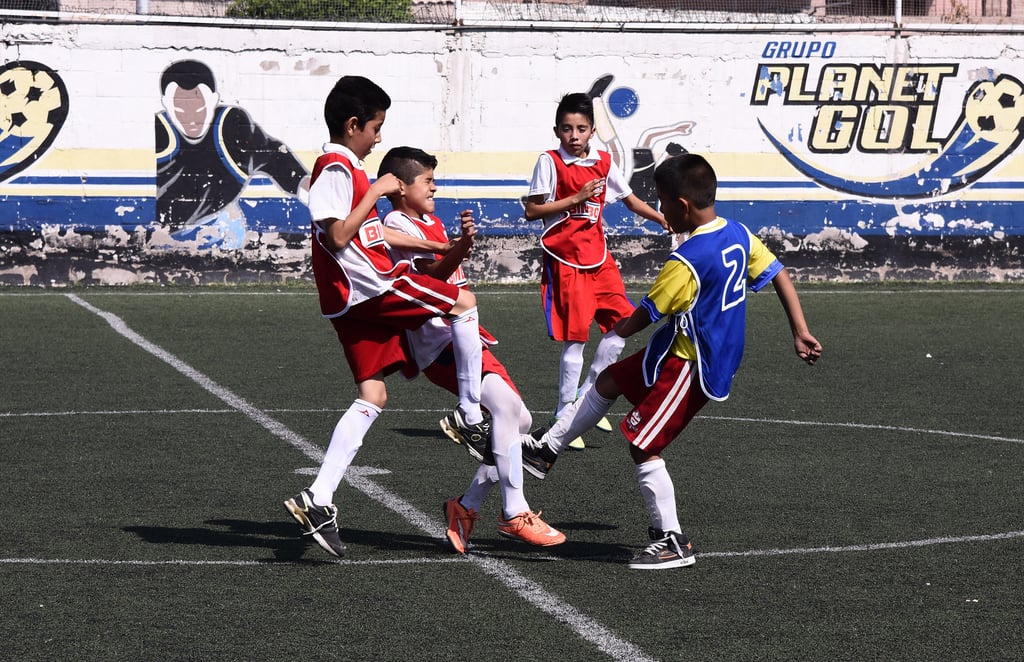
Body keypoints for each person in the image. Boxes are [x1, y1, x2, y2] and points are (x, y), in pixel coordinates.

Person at [521, 153, 823, 570]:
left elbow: (646, 313)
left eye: (662, 203)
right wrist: (799, 329)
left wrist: (616, 330)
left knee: (644, 445)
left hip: (692, 362)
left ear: (681, 205)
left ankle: (672, 540)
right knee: (609, 380)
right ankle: (546, 450)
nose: (660, 211)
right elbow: (779, 273)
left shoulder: (686, 261)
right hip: (681, 345)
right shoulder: (737, 232)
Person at [283, 76, 492, 558]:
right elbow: (339, 235)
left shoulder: (349, 168)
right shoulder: (336, 166)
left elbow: (374, 234)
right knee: (464, 302)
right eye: (376, 127)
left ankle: (318, 497)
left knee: (373, 394)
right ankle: (468, 412)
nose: (379, 138)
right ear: (353, 125)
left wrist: (435, 244)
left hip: (349, 300)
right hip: (369, 287)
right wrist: (375, 189)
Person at [378, 145, 565, 552]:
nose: (434, 187)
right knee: (503, 412)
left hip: (465, 338)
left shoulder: (426, 219)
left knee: (518, 423)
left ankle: (465, 506)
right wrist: (460, 246)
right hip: (440, 342)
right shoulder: (396, 220)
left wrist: (458, 243)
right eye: (426, 181)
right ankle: (514, 512)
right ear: (399, 187)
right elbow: (433, 277)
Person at [524, 92, 669, 450]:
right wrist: (574, 199)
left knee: (622, 326)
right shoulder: (550, 162)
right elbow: (531, 210)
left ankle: (587, 396)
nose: (574, 135)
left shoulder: (604, 162)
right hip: (566, 258)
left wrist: (661, 217)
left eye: (581, 129)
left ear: (591, 132)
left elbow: (631, 199)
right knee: (576, 339)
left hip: (599, 257)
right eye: (567, 129)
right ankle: (563, 411)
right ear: (557, 130)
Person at [155, 59, 309, 249]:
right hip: (163, 234)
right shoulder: (160, 132)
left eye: (198, 109)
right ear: (166, 106)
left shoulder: (231, 127)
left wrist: (303, 184)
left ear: (212, 100)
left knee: (230, 223)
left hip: (212, 227)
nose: (190, 118)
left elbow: (272, 155)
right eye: (180, 110)